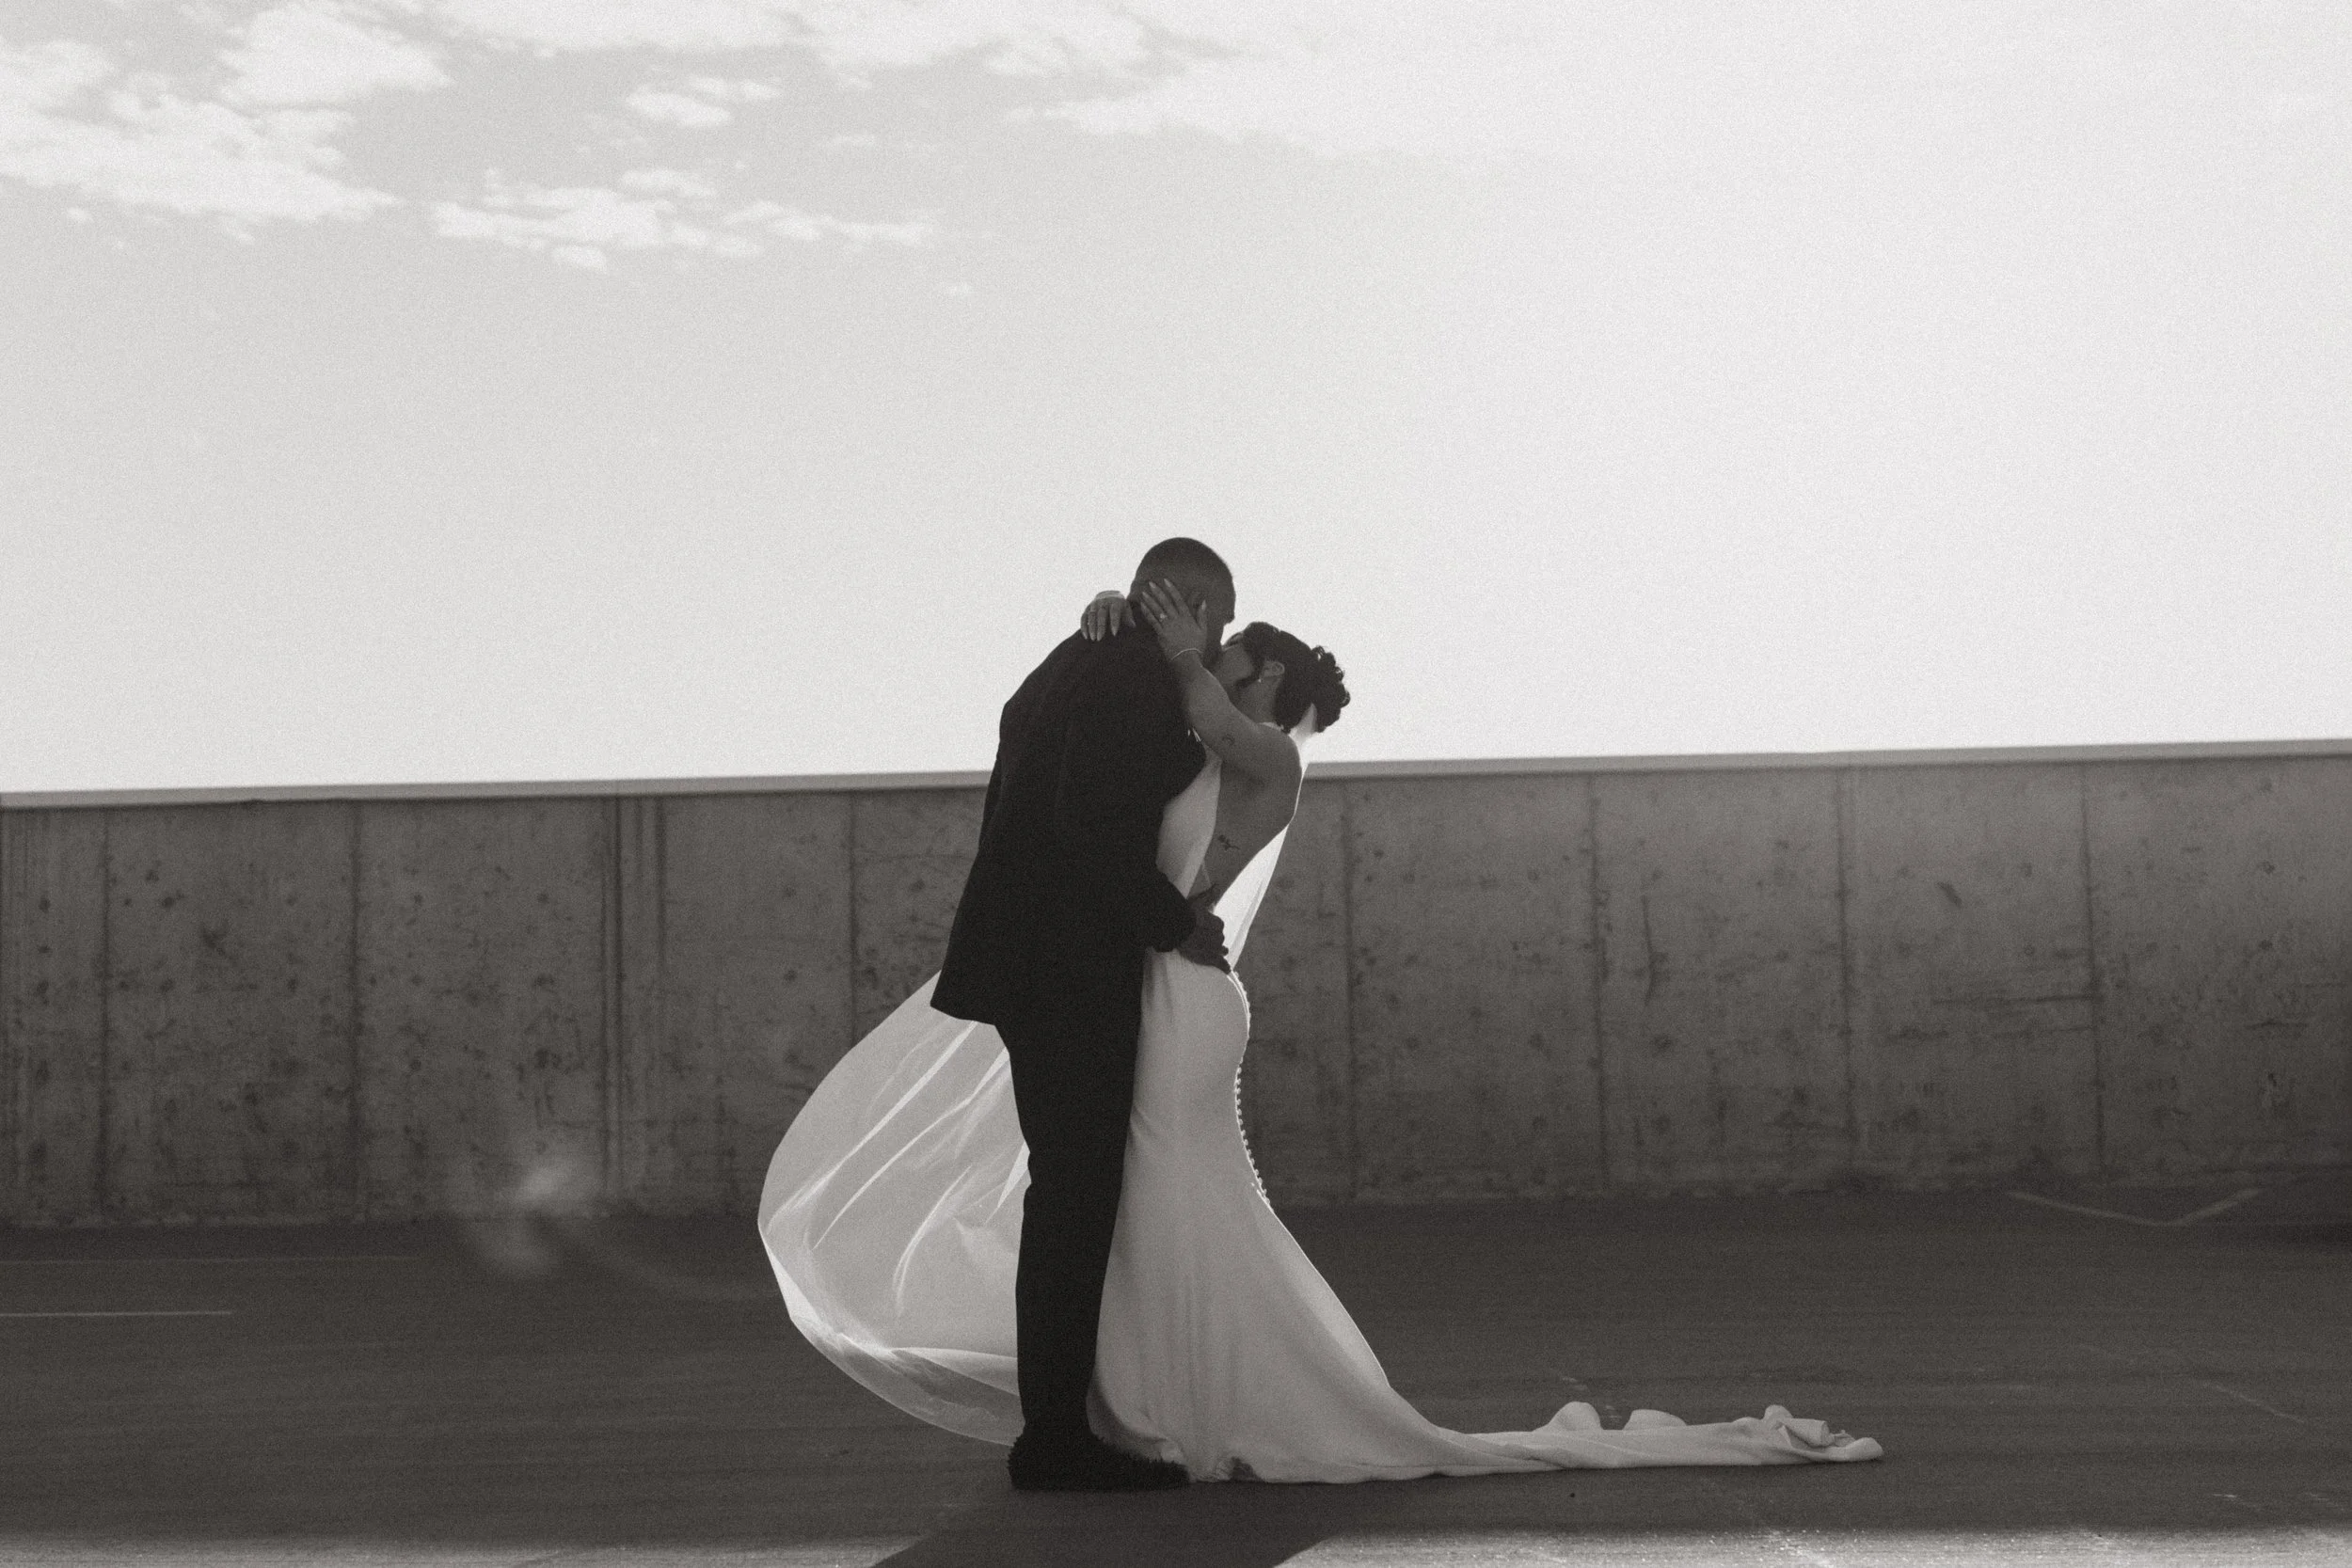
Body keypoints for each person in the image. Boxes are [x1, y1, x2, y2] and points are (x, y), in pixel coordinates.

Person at [757, 554, 1883, 1490]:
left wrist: (1146, 634)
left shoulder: (1256, 750)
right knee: (1115, 1197)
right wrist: (1121, 620)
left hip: (1173, 986)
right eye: (1214, 634)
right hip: (1126, 970)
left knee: (1130, 1190)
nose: (1215, 654)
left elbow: (1136, 758)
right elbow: (1101, 793)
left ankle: (1120, 1413)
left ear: (1259, 676)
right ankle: (1112, 1409)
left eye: (1233, 652)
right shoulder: (1160, 709)